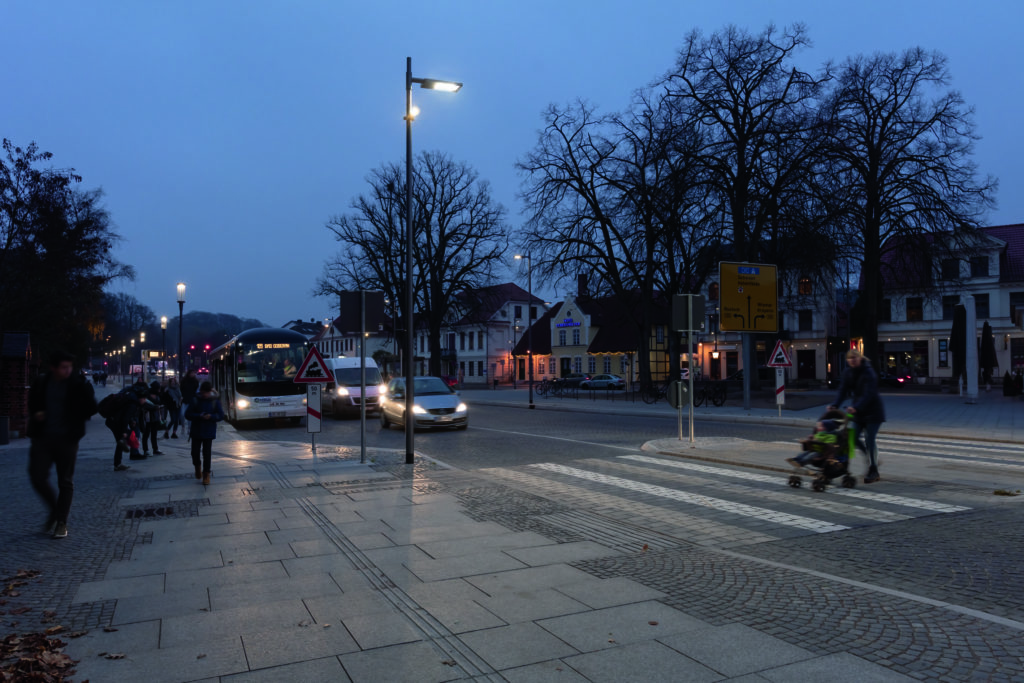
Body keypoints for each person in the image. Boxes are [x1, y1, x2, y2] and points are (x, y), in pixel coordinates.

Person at [27, 350, 98, 539]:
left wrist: (75, 417)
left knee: (65, 481)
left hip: (67, 439)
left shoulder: (77, 384)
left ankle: (61, 522)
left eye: (70, 367)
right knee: (37, 476)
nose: (68, 371)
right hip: (43, 437)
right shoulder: (42, 382)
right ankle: (54, 509)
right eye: (64, 367)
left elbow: (92, 407)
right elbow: (32, 402)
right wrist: (38, 413)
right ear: (54, 368)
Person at [830, 348, 886, 484]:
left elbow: (869, 393)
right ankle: (869, 456)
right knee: (852, 437)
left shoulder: (869, 372)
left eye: (854, 358)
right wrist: (835, 405)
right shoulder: (848, 372)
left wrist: (856, 407)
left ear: (860, 358)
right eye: (850, 359)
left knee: (869, 439)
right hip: (858, 412)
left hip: (873, 411)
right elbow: (843, 390)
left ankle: (873, 470)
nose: (852, 361)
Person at [185, 381, 224, 485]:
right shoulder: (195, 400)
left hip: (209, 431)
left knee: (207, 454)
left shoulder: (215, 401)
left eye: (207, 393)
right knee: (195, 453)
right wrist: (199, 416)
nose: (205, 395)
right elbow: (187, 414)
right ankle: (197, 466)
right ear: (201, 391)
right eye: (203, 393)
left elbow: (221, 415)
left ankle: (206, 473)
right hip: (196, 431)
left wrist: (211, 417)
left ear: (210, 391)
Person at [105, 387, 150, 469]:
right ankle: (120, 462)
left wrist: (131, 421)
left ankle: (118, 464)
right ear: (140, 398)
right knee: (126, 438)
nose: (145, 401)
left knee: (120, 441)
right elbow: (125, 418)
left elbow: (125, 415)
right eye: (144, 399)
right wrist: (124, 431)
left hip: (112, 420)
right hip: (115, 422)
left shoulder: (132, 402)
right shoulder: (133, 405)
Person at [180, 369, 199, 440]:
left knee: (190, 416)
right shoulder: (184, 381)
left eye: (193, 373)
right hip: (185, 400)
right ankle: (183, 426)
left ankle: (189, 428)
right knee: (182, 414)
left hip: (191, 400)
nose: (192, 374)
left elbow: (196, 390)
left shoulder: (195, 381)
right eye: (191, 373)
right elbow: (181, 389)